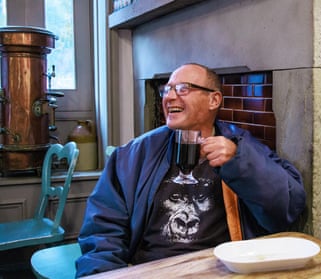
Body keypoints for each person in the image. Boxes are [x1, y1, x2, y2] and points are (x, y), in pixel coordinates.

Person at [75, 63, 306, 277]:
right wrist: (104, 273)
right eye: (167, 90)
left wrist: (239, 161)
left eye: (183, 89)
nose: (170, 97)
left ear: (214, 100)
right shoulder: (136, 154)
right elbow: (102, 229)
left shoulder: (240, 148)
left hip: (217, 270)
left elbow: (287, 207)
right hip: (150, 269)